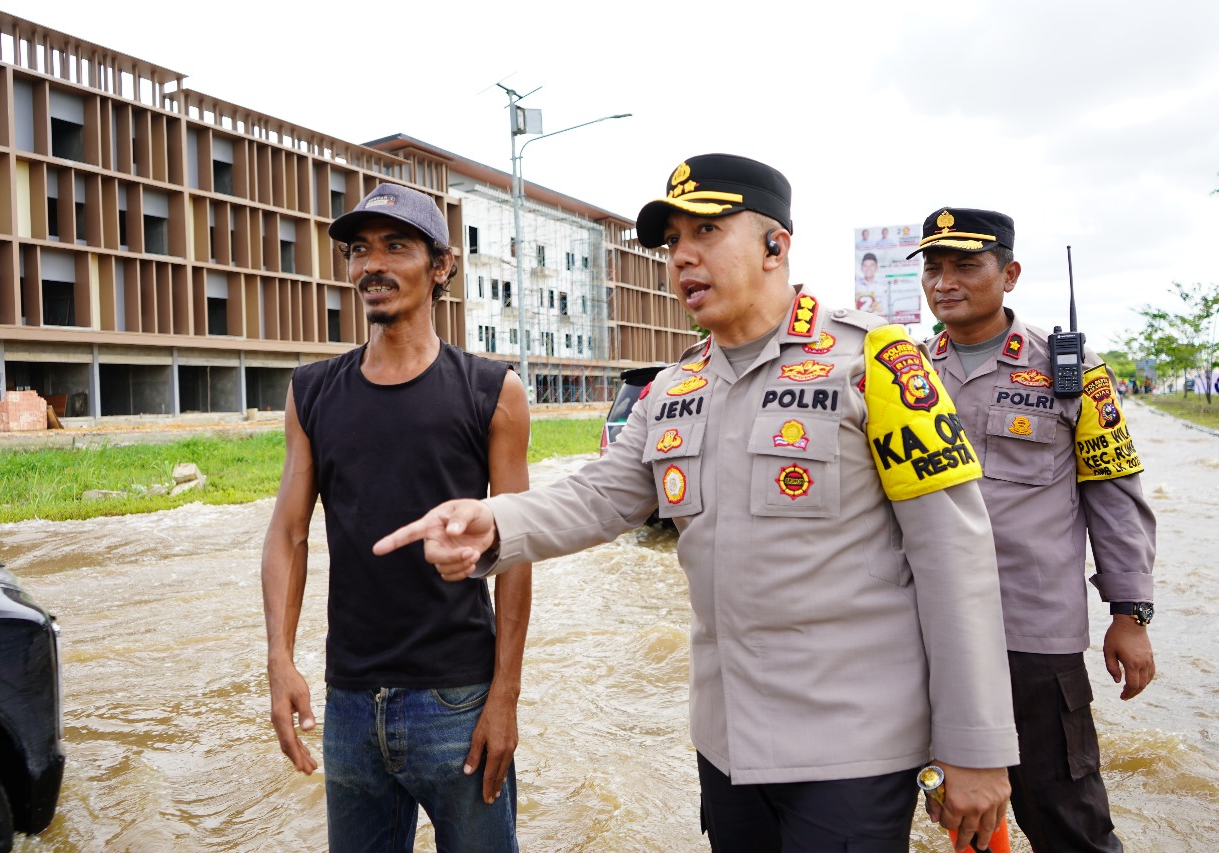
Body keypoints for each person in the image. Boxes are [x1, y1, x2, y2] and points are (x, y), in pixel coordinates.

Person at [377, 154, 1018, 852]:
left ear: (777, 245)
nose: (682, 257)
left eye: (706, 232)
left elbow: (955, 557)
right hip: (727, 746)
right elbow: (600, 496)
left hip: (853, 748)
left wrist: (975, 745)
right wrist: (491, 520)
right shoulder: (675, 387)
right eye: (672, 241)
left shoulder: (875, 362)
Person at [262, 183, 532, 852]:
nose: (371, 265)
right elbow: (288, 533)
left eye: (396, 246)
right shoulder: (311, 391)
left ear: (441, 265)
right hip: (349, 702)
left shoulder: (492, 392)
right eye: (359, 250)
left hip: (459, 699)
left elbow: (518, 550)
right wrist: (279, 660)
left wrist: (506, 697)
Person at [912, 207, 1156, 853]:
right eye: (934, 268)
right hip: (923, 626)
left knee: (1064, 808)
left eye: (966, 264)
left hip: (1031, 630)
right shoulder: (901, 372)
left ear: (1009, 273)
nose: (945, 281)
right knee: (950, 801)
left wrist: (1129, 613)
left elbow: (1114, 494)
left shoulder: (1070, 370)